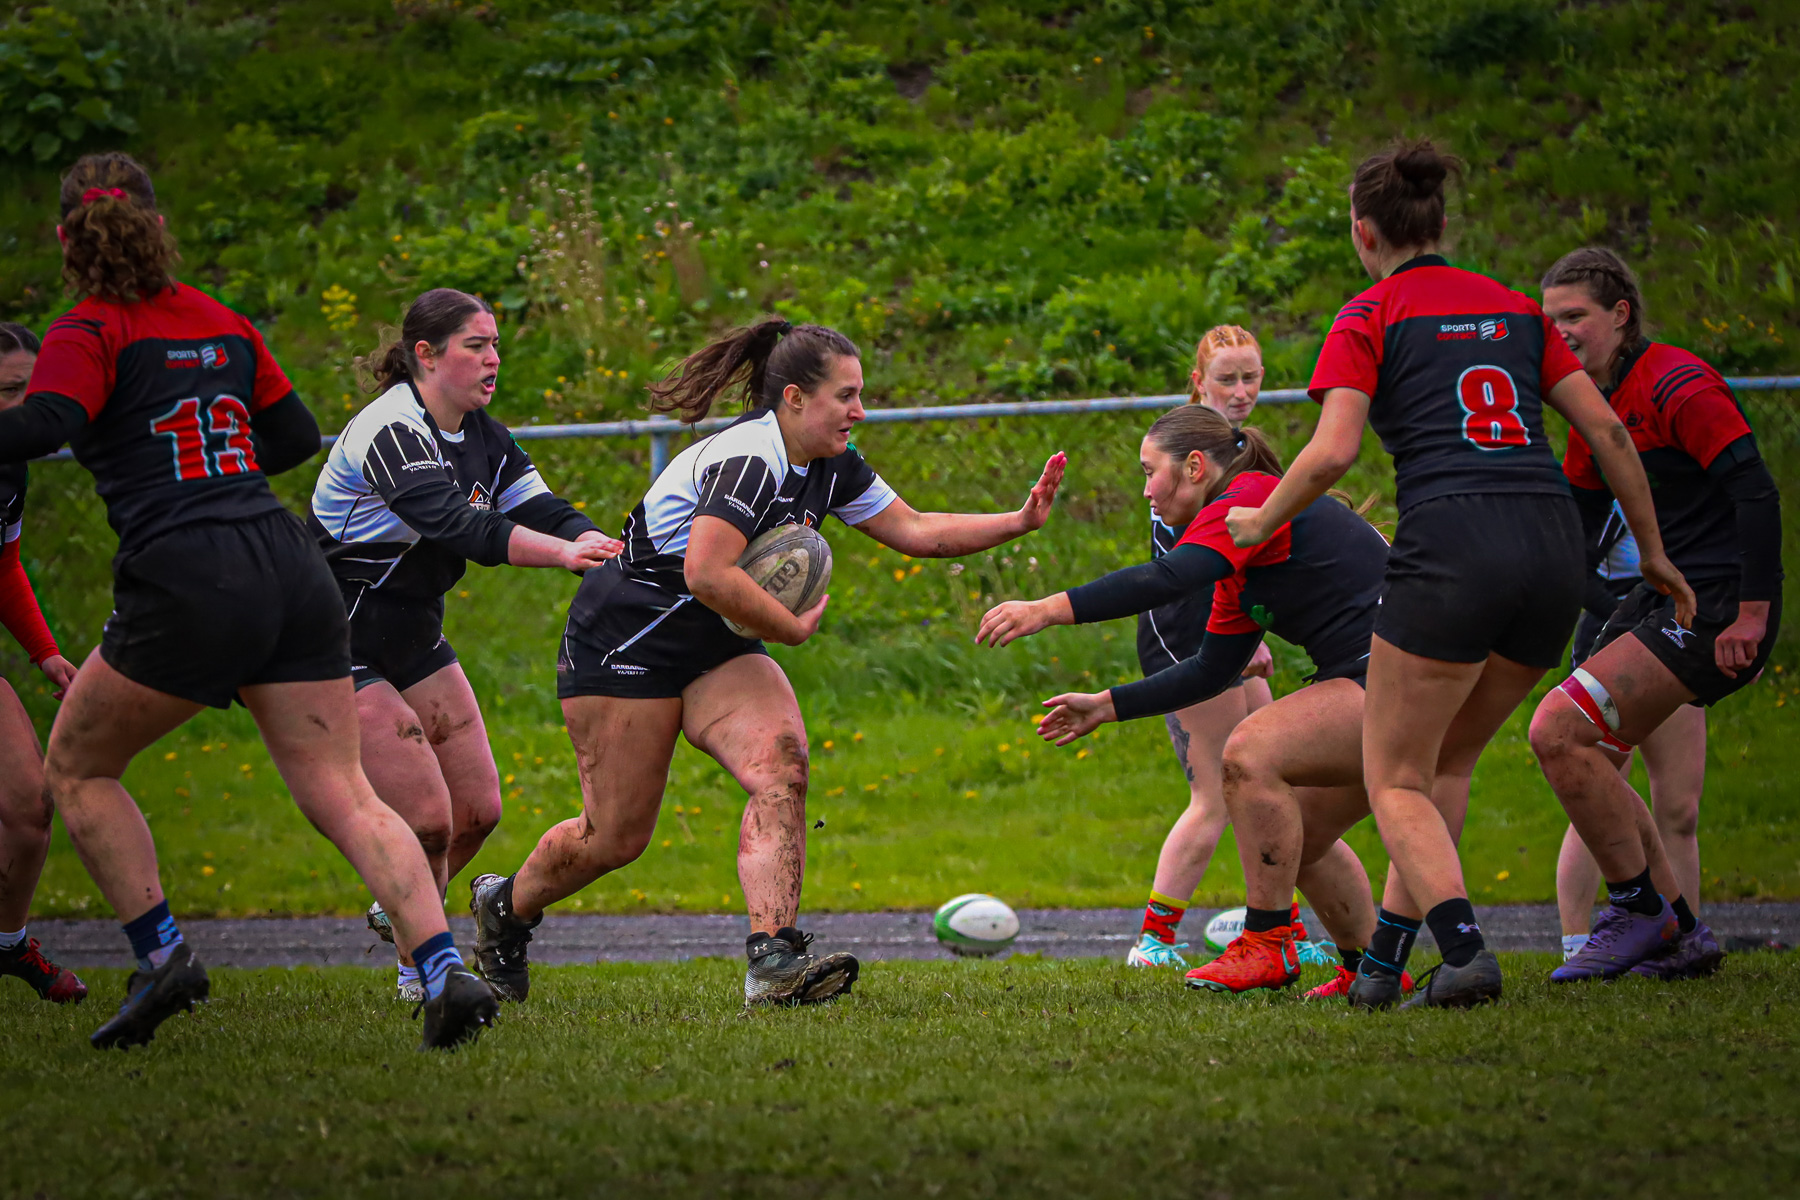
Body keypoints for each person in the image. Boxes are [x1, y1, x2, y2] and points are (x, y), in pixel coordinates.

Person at [0, 153, 497, 1049]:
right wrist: (217, 465)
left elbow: (48, 426)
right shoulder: (219, 321)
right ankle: (441, 970)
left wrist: (159, 473)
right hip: (287, 559)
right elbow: (293, 433)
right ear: (159, 227)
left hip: (189, 569)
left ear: (64, 238)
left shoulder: (84, 330)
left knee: (73, 770)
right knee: (346, 790)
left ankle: (162, 958)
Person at [468, 318, 1067, 1007]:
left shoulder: (829, 462)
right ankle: (506, 907)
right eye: (845, 395)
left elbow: (916, 529)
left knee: (782, 765)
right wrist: (787, 628)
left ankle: (773, 961)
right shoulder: (751, 461)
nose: (859, 410)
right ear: (793, 399)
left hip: (715, 645)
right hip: (627, 641)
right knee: (614, 839)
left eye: (860, 394)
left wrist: (1017, 521)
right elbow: (706, 572)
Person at [1221, 140, 1692, 1009]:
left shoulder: (1369, 315)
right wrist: (1654, 553)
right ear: (1440, 222)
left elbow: (1332, 453)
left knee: (1394, 774)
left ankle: (1466, 952)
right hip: (1552, 549)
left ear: (1364, 233)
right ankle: (1385, 965)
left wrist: (1260, 517)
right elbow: (1610, 434)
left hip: (1453, 546)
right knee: (1447, 762)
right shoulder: (1515, 308)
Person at [976, 405, 1396, 997]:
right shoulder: (1236, 564)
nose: (1145, 489)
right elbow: (1209, 672)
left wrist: (1045, 609)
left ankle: (1268, 943)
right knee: (1298, 829)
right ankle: (1372, 971)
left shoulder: (1246, 503)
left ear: (1195, 467)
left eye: (1150, 471)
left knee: (1248, 752)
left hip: (1399, 672)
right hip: (1386, 672)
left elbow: (1166, 579)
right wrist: (1106, 705)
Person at [311, 289, 622, 1001]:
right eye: (475, 346)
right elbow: (459, 526)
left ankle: (402, 903)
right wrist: (562, 556)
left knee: (477, 810)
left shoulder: (483, 432)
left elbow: (538, 506)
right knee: (426, 819)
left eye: (495, 345)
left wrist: (596, 541)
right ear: (425, 354)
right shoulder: (390, 428)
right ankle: (419, 971)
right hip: (337, 635)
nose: (492, 359)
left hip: (413, 628)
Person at [1531, 247, 1780, 982]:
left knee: (1561, 732)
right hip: (1663, 596)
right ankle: (1678, 932)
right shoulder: (1588, 401)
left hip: (1715, 602)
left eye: (1574, 316)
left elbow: (1757, 494)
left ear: (1620, 314)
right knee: (1591, 757)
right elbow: (1574, 522)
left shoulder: (1676, 382)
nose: (1561, 331)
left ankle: (1641, 913)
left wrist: (1752, 616)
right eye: (1549, 320)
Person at [1125, 325, 1277, 969]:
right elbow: (1189, 575)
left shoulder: (1250, 453)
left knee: (1272, 782)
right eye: (1226, 380)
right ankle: (1154, 942)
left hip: (1236, 633)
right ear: (1198, 383)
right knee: (1215, 794)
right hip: (1189, 637)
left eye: (1251, 377)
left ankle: (1283, 927)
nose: (1241, 392)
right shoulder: (1181, 459)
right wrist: (1238, 644)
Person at [1553, 493, 1708, 963]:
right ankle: (1577, 944)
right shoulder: (1605, 472)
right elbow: (1575, 570)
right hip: (1616, 636)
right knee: (1599, 791)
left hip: (1679, 634)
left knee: (1680, 808)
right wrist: (1631, 621)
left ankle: (1685, 945)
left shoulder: (1697, 474)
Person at [0, 322, 85, 1004]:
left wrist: (46, 652)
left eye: (33, 392)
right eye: (7, 391)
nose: (23, 408)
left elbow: (5, 566)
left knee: (30, 806)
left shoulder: (11, 464)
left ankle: (7, 945)